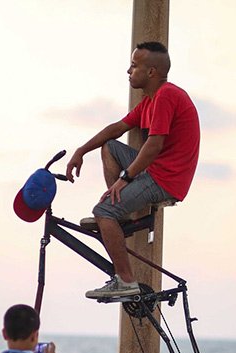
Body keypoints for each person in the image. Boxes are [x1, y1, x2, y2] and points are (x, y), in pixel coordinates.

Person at [65, 41, 200, 300]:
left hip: (166, 179)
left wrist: (124, 179)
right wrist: (81, 150)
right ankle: (119, 214)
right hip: (157, 170)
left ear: (151, 72)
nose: (129, 71)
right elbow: (115, 129)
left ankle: (125, 280)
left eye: (134, 65)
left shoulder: (167, 95)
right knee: (109, 146)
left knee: (103, 211)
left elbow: (154, 145)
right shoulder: (149, 102)